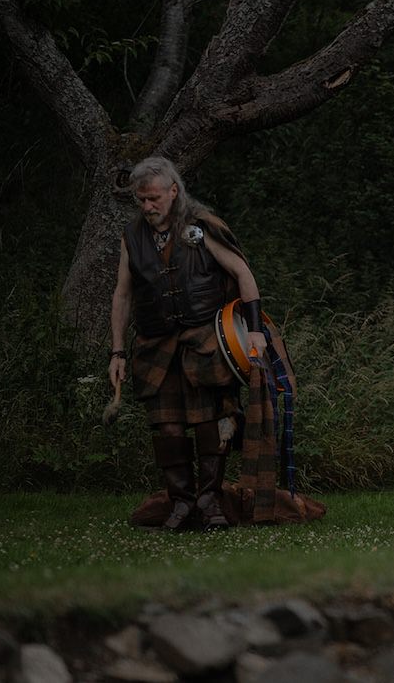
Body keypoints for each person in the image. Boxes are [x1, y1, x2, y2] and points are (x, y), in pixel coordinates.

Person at [108, 156, 266, 531]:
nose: (147, 207)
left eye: (154, 198)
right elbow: (122, 295)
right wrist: (116, 351)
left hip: (205, 343)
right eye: (141, 200)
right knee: (169, 428)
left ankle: (210, 503)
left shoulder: (202, 226)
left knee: (213, 423)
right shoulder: (132, 237)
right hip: (155, 348)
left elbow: (242, 271)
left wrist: (255, 330)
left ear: (173, 192)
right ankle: (180, 504)